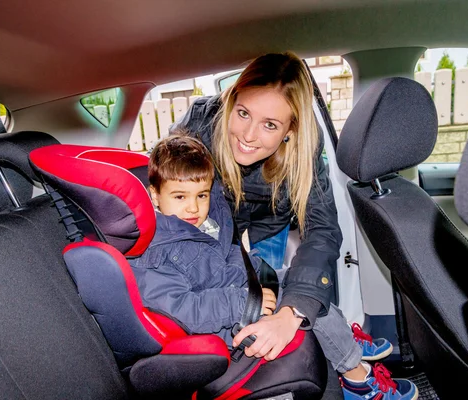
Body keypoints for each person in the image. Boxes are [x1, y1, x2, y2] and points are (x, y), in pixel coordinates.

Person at [170, 52, 419, 400]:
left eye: (270, 125)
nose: (248, 135)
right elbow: (170, 188)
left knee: (290, 287)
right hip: (216, 226)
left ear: (290, 130)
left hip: (268, 222)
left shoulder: (305, 150)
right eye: (243, 113)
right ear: (232, 100)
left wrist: (292, 313)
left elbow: (322, 230)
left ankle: (346, 354)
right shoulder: (200, 125)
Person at [129, 135, 277, 347]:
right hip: (228, 324)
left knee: (302, 295)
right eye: (180, 197)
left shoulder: (207, 224)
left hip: (244, 288)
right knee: (309, 318)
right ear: (155, 195)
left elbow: (224, 259)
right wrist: (243, 301)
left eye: (202, 195)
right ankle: (345, 371)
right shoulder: (155, 250)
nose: (194, 208)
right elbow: (183, 310)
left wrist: (256, 269)